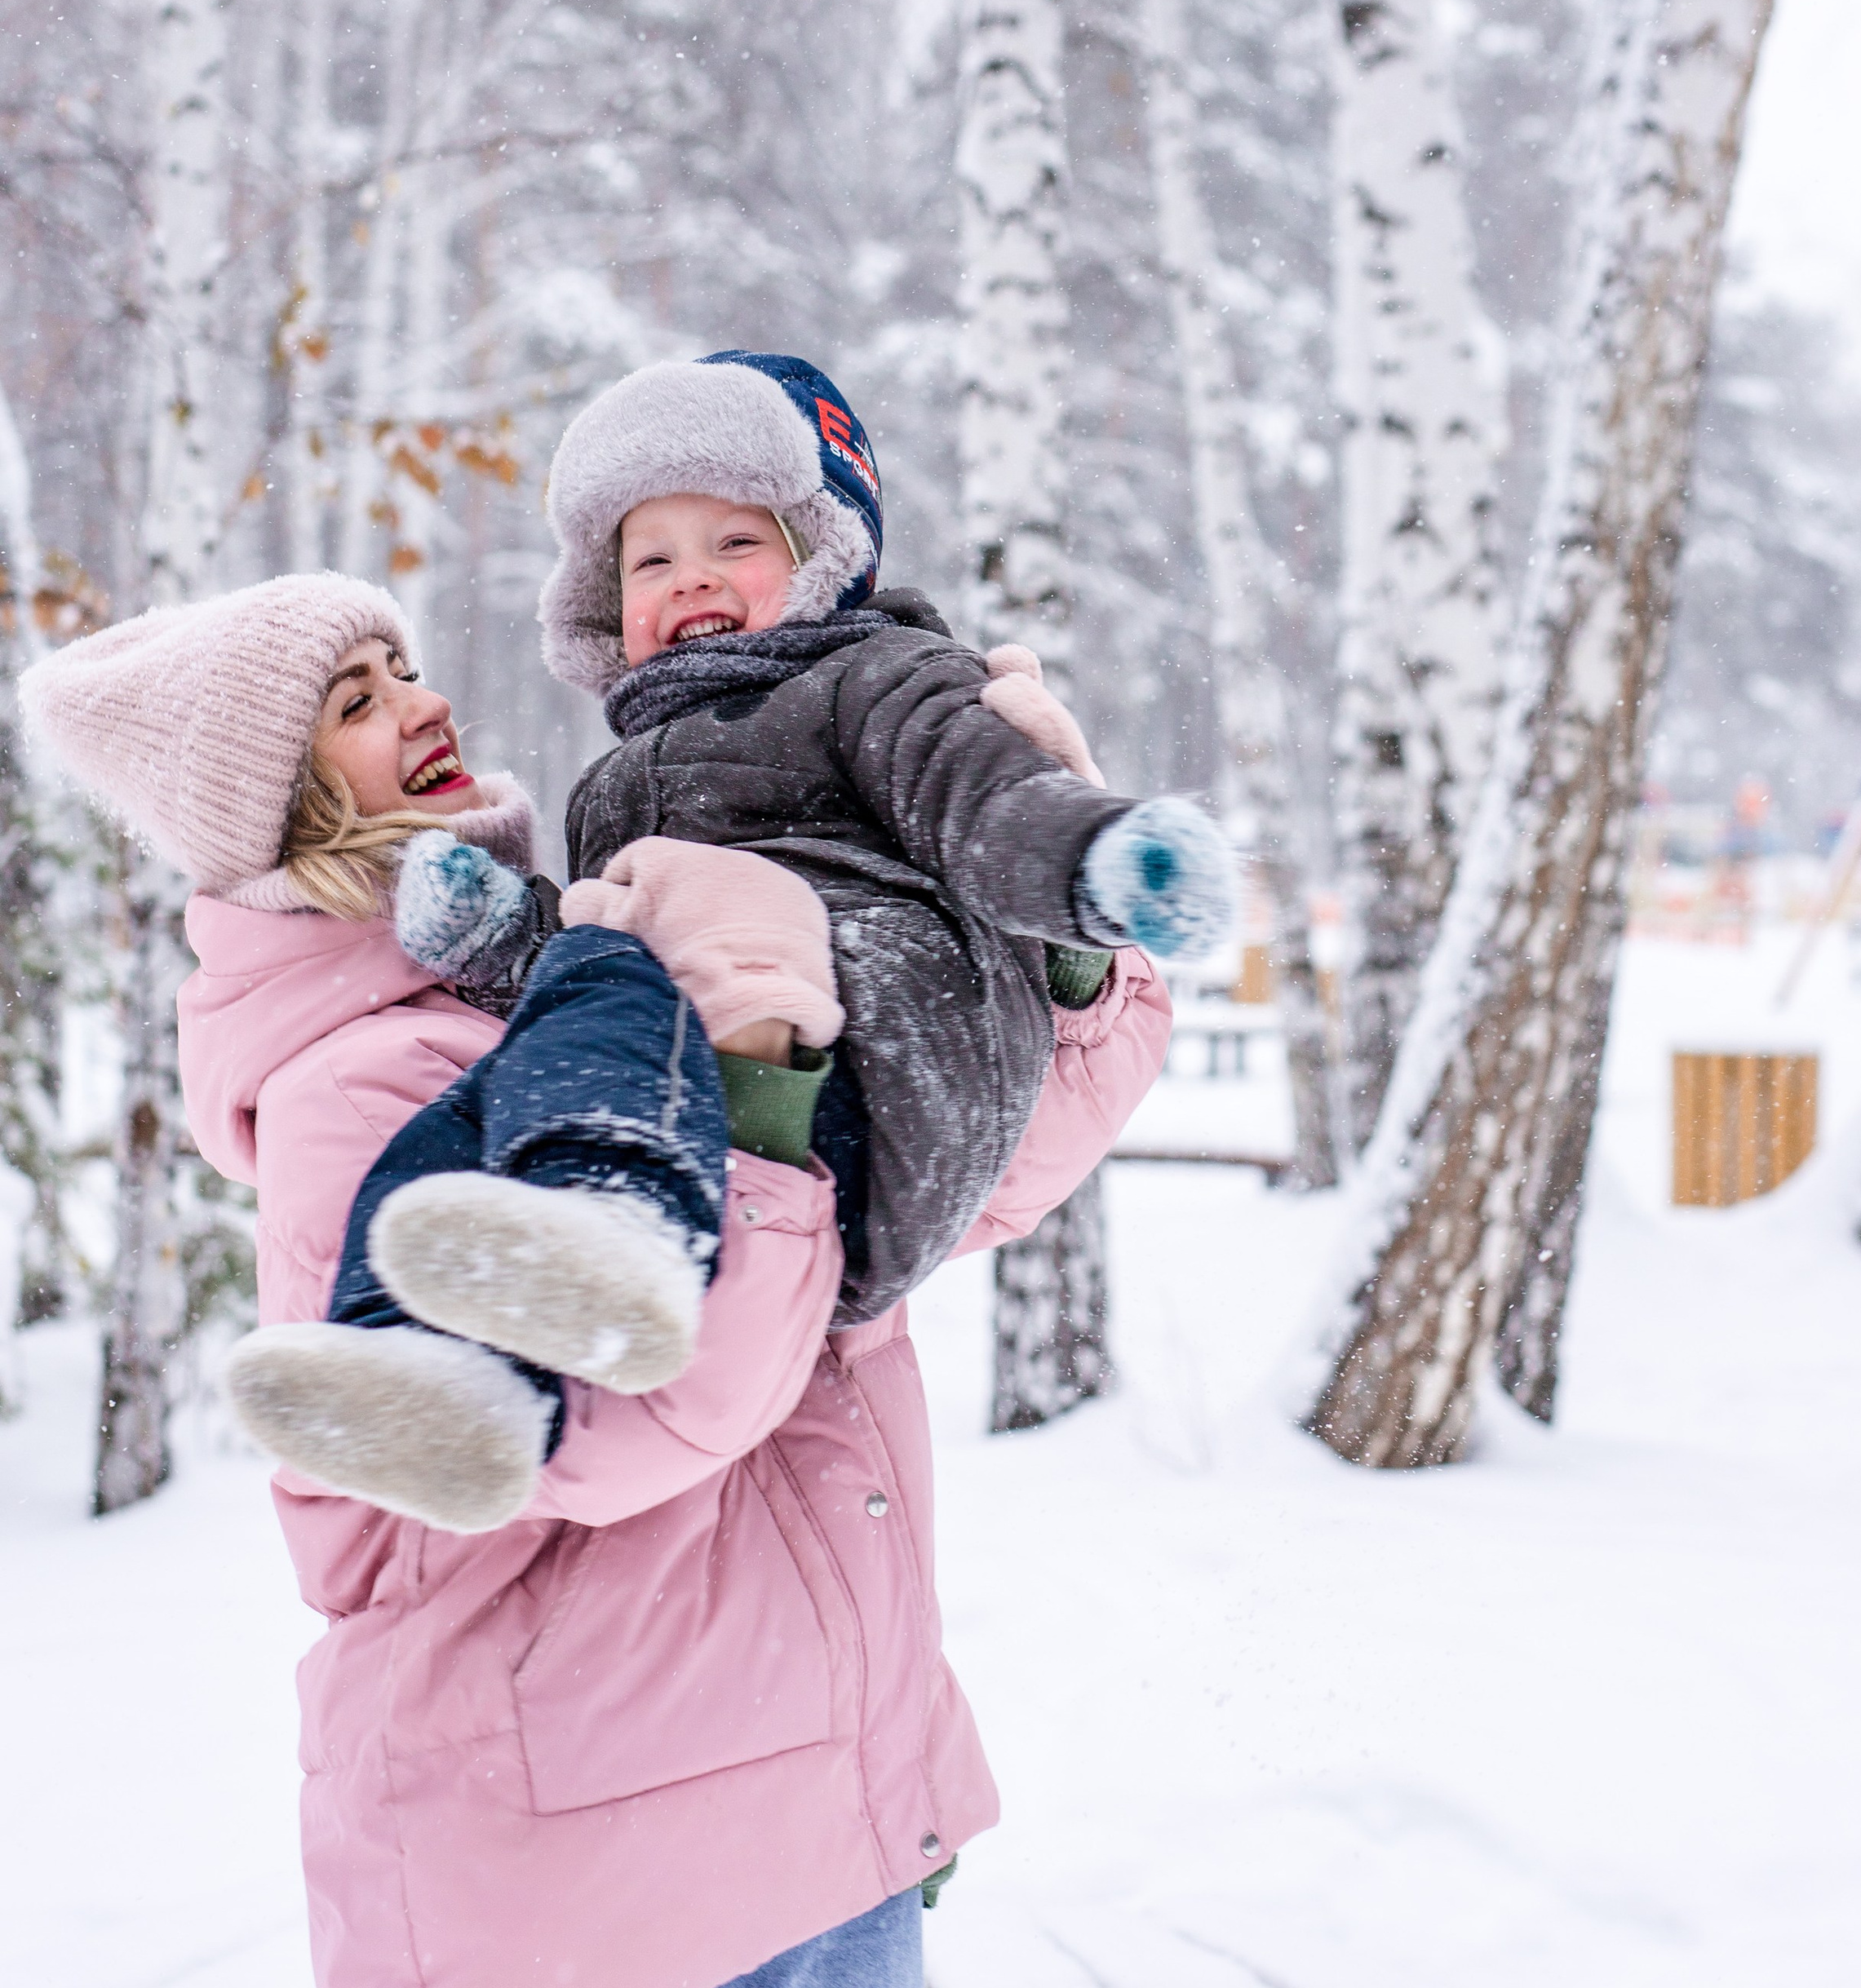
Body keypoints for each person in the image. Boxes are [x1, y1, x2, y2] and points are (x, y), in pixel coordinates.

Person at [23, 566, 1172, 1988]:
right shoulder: (364, 1079)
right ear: (282, 795)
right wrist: (769, 1088)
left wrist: (1053, 931)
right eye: (350, 697)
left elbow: (966, 1180)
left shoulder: (591, 966)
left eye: (403, 663)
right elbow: (635, 1426)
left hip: (819, 1814)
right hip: (541, 1854)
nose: (415, 698)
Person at [202, 351, 1234, 1530]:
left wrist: (1093, 865)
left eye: (734, 543)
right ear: (607, 605)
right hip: (772, 1116)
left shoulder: (878, 679)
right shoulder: (611, 792)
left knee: (607, 963)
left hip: (888, 1045)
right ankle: (418, 1360)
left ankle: (621, 1211)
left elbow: (982, 792)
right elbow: (612, 1013)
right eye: (651, 558)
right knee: (494, 1099)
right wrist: (508, 938)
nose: (690, 578)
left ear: (820, 558)